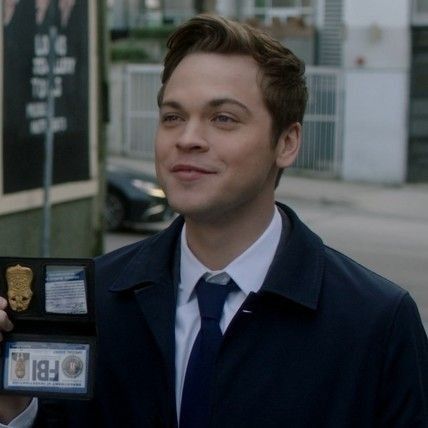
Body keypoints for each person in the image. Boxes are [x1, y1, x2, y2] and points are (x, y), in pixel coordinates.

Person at [1, 13, 428, 428]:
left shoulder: (376, 323)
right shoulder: (95, 299)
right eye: (173, 117)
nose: (187, 139)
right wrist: (15, 408)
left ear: (287, 142)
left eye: (223, 118)